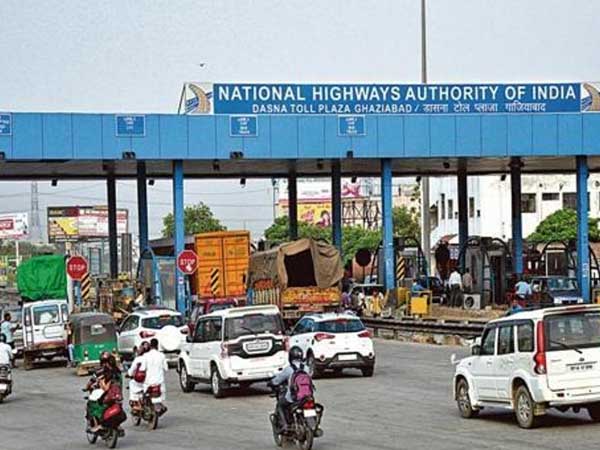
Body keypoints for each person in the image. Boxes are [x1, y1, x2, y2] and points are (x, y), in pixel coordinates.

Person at [269, 346, 308, 432]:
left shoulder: (289, 369)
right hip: (307, 396)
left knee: (280, 405)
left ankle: (285, 425)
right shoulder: (306, 368)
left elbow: (277, 381)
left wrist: (271, 383)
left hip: (293, 397)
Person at [143, 338, 168, 414]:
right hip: (159, 382)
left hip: (148, 382)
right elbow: (166, 368)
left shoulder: (146, 355)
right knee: (161, 398)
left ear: (150, 346)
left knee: (144, 394)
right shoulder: (162, 355)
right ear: (157, 345)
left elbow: (142, 368)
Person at [127, 341, 149, 410]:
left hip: (140, 381)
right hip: (150, 380)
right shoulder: (150, 358)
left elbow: (131, 372)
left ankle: (135, 402)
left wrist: (129, 374)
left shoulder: (138, 359)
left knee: (131, 383)